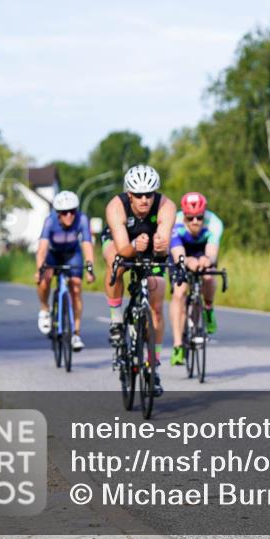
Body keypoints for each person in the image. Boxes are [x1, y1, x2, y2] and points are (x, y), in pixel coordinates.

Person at [101, 165, 176, 396]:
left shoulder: (166, 206)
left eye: (149, 194)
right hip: (122, 243)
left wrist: (162, 248)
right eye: (139, 195)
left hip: (151, 247)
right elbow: (123, 248)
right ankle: (115, 320)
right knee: (116, 262)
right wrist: (134, 247)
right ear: (129, 194)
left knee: (156, 301)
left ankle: (153, 366)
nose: (145, 200)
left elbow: (163, 250)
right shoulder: (116, 206)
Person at [168, 192, 224, 366]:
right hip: (181, 252)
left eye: (199, 217)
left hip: (202, 250)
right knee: (180, 292)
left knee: (208, 275)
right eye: (190, 217)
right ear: (183, 215)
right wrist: (187, 262)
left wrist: (207, 260)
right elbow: (177, 252)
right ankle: (178, 345)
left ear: (204, 214)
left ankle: (208, 308)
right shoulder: (174, 223)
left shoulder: (214, 223)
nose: (195, 222)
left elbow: (212, 251)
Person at [35, 190, 95, 351]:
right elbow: (42, 248)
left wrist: (90, 268)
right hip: (53, 254)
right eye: (64, 212)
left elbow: (87, 244)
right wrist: (39, 268)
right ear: (58, 213)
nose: (69, 215)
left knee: (76, 287)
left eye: (72, 211)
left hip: (72, 254)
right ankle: (44, 309)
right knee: (44, 278)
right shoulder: (50, 221)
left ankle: (76, 334)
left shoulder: (82, 219)